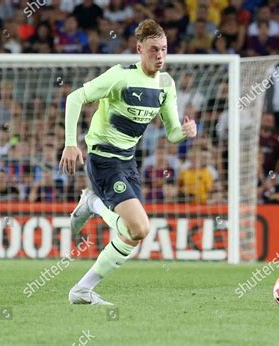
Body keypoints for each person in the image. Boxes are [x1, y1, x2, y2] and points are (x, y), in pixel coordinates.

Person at [59, 19, 197, 305]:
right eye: (153, 49)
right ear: (139, 49)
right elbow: (75, 98)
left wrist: (185, 132)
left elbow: (171, 133)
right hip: (103, 160)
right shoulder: (119, 76)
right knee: (140, 227)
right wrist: (70, 143)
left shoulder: (166, 84)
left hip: (128, 163)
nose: (160, 55)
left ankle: (82, 290)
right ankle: (93, 204)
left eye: (164, 50)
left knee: (133, 235)